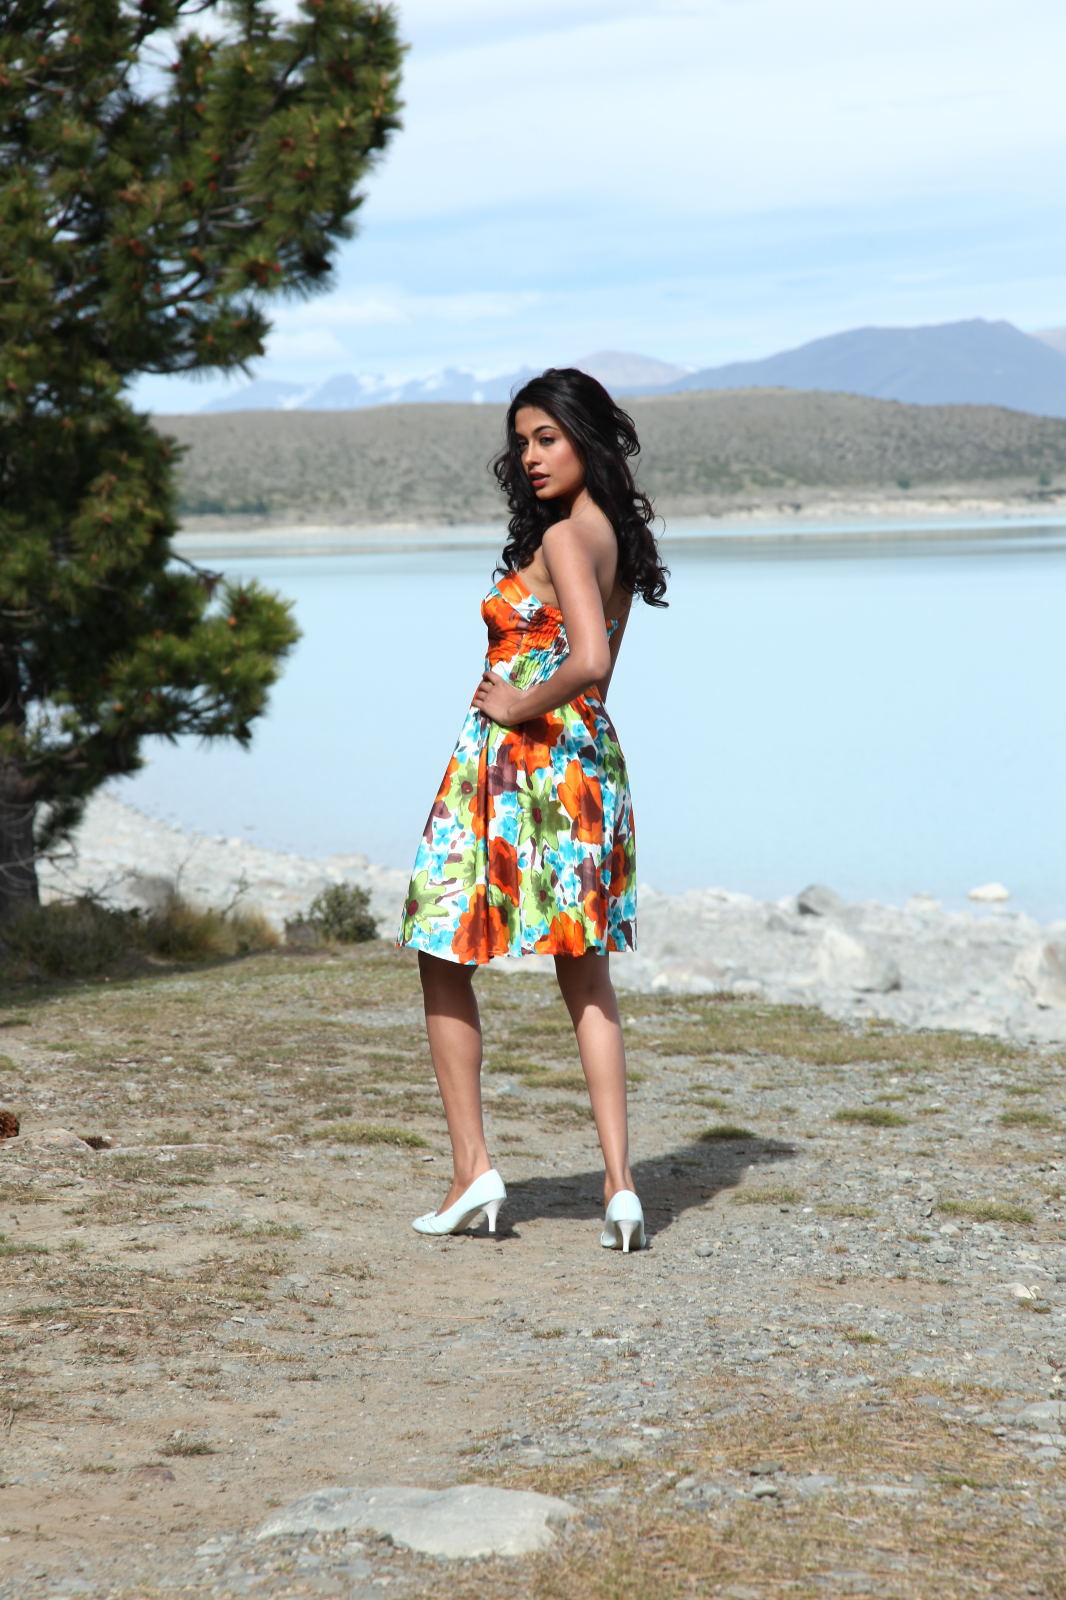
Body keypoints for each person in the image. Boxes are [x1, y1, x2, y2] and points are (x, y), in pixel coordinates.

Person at [397, 367, 668, 1252]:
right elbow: (600, 680)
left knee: (443, 950)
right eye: (521, 443)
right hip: (584, 766)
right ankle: (621, 1188)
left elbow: (588, 659)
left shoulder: (562, 538)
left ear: (586, 439)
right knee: (584, 974)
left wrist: (515, 705)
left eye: (547, 438)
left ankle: (471, 1168)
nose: (531, 456)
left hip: (514, 765)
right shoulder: (613, 539)